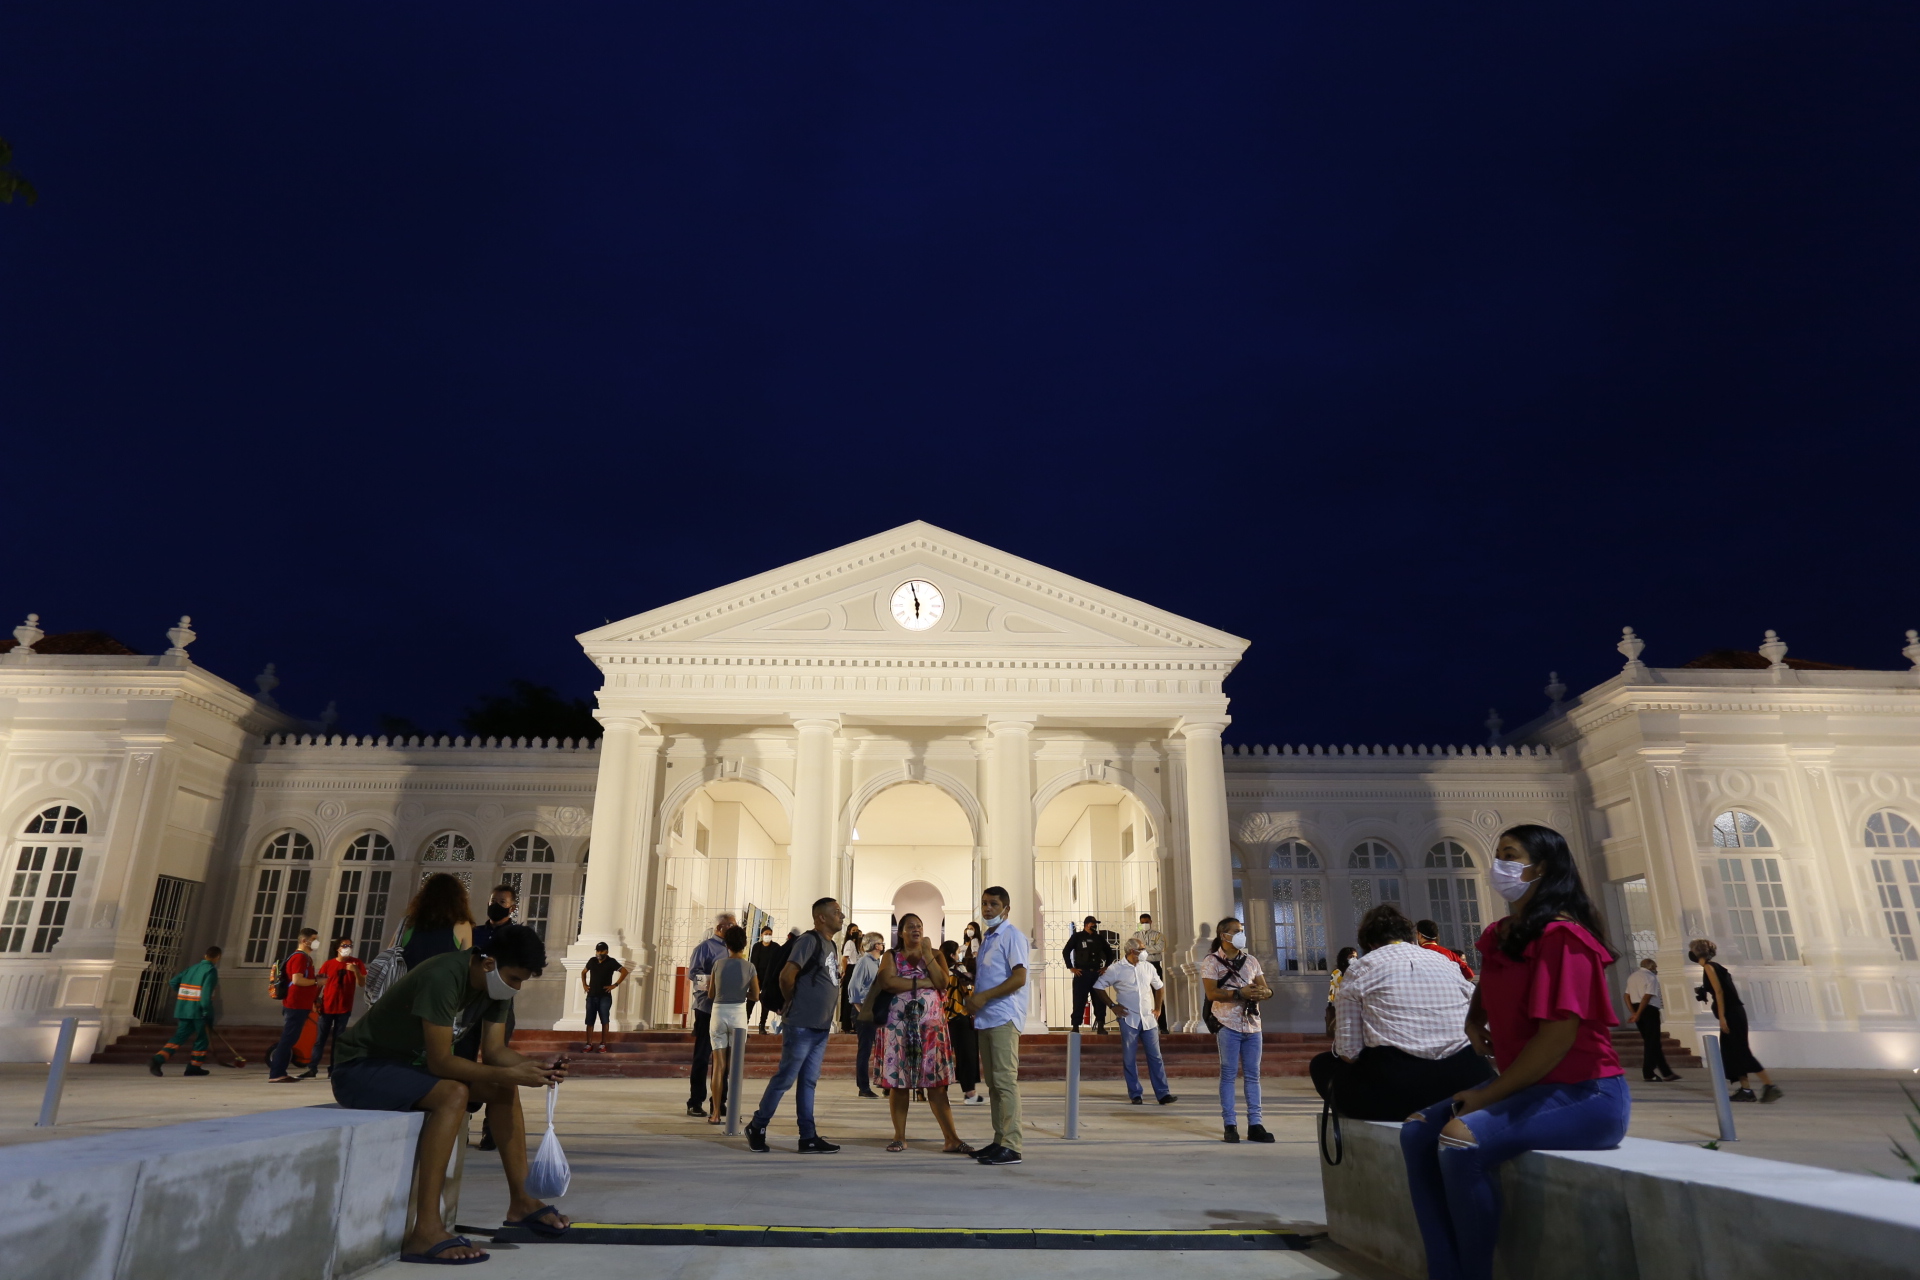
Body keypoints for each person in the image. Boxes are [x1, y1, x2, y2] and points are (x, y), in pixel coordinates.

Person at [1400, 824, 1630, 1280]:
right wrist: (1472, 1020)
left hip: (1585, 1093)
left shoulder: (1565, 938)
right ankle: (1444, 1269)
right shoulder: (1503, 932)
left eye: (1509, 854)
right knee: (1416, 1131)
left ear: (1540, 867)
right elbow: (1487, 987)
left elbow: (1558, 1037)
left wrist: (1488, 1095)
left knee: (1459, 1140)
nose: (1498, 865)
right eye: (1498, 853)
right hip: (1530, 1089)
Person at [330, 924, 570, 1265]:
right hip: (360, 1069)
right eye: (514, 978)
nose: (516, 987)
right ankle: (425, 1229)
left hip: (410, 1068)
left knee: (504, 1086)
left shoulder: (494, 988)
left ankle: (522, 1201)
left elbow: (495, 1051)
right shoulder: (444, 976)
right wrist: (508, 1071)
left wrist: (536, 1067)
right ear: (489, 964)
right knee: (453, 1094)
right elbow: (442, 1062)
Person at [1309, 904, 1491, 1121]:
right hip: (1466, 1080)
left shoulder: (1360, 969)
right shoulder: (1445, 962)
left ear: (1369, 943)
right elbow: (1481, 1020)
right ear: (1411, 937)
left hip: (1400, 1090)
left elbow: (1349, 1052)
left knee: (1321, 1065)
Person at [744, 897, 845, 1154]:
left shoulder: (831, 945)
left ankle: (808, 1137)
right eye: (836, 912)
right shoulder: (809, 941)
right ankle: (757, 1125)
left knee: (809, 1082)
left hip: (819, 1026)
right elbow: (786, 975)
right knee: (786, 1078)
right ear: (821, 917)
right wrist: (793, 1002)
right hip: (801, 1023)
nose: (841, 916)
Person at [871, 913, 972, 1153]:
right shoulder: (891, 955)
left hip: (930, 1029)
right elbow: (887, 982)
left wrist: (927, 954)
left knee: (936, 1083)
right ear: (902, 932)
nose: (916, 929)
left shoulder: (935, 954)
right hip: (898, 1028)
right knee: (899, 1083)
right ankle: (899, 1136)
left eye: (919, 926)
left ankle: (951, 1138)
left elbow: (942, 981)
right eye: (910, 926)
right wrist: (922, 983)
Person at [966, 885, 1029, 1166]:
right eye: (984, 904)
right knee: (992, 1083)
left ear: (1006, 908)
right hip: (987, 1018)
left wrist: (984, 997)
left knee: (1005, 1081)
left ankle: (1012, 1146)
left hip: (1004, 1015)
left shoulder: (1012, 936)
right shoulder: (988, 938)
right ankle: (999, 1140)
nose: (987, 909)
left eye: (993, 904)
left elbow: (1019, 978)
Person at [1201, 915, 1273, 1142]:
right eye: (1236, 930)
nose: (1241, 934)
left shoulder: (1251, 960)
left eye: (1242, 930)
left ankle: (1256, 1124)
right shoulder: (1211, 961)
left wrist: (1266, 993)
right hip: (1227, 1023)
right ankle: (1230, 1124)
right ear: (1224, 935)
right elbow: (1211, 993)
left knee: (1253, 1076)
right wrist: (1238, 993)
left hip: (1252, 1025)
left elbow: (1265, 988)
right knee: (1229, 1074)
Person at [1690, 939, 1782, 1103]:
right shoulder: (1715, 967)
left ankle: (1770, 1085)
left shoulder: (1709, 967)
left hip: (1732, 1014)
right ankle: (1746, 1090)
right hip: (1733, 1012)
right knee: (1734, 1053)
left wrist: (1723, 1018)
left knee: (1741, 1052)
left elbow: (1719, 992)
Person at [1095, 937, 1175, 1105]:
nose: (1145, 952)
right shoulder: (1116, 969)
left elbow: (1159, 987)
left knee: (1156, 1057)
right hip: (1128, 1018)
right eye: (1142, 949)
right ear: (1132, 951)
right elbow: (1098, 986)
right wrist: (1112, 1006)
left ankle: (1163, 1093)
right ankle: (1135, 1093)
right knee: (1129, 1057)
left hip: (1148, 1019)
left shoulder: (1148, 967)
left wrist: (1158, 1009)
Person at [686, 911, 737, 1118]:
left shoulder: (735, 949)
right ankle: (695, 1101)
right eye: (731, 925)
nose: (735, 928)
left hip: (728, 1010)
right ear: (720, 927)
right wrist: (716, 983)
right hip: (707, 1008)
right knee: (702, 1056)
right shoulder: (705, 948)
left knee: (723, 1058)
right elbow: (694, 974)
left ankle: (719, 1101)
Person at [707, 925, 759, 1125]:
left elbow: (711, 994)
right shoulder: (749, 967)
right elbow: (755, 995)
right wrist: (741, 994)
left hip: (718, 1013)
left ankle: (715, 1113)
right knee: (735, 1067)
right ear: (744, 944)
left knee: (718, 1067)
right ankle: (733, 1111)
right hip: (738, 1014)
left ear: (726, 944)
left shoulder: (718, 965)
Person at [150, 946, 221, 1076]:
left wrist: (185, 996)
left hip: (184, 1009)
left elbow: (173, 982)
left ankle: (159, 1058)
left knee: (179, 1037)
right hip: (199, 1011)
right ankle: (194, 1067)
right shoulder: (210, 971)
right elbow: (205, 995)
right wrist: (206, 1011)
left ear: (205, 955)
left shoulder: (192, 968)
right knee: (202, 1038)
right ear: (217, 957)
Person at [267, 927, 322, 1084]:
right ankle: (277, 1073)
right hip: (296, 1005)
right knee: (288, 1039)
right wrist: (318, 981)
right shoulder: (300, 958)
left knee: (290, 1039)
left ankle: (279, 1072)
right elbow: (297, 980)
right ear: (304, 941)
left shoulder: (303, 958)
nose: (316, 943)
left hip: (300, 1005)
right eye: (314, 939)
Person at [305, 937, 366, 1079]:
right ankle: (312, 1068)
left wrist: (355, 970)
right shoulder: (328, 964)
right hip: (327, 1006)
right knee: (320, 1038)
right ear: (338, 948)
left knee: (338, 1040)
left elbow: (362, 983)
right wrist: (314, 1001)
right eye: (345, 945)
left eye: (350, 945)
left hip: (344, 1007)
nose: (348, 948)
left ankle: (334, 1069)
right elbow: (319, 984)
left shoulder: (356, 963)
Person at [398, 873, 475, 969]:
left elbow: (390, 952)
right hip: (443, 982)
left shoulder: (410, 921)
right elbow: (466, 965)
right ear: (458, 899)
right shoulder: (462, 925)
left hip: (408, 981)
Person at [1624, 958, 1680, 1083]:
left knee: (1652, 1041)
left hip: (1637, 1008)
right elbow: (1647, 997)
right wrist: (1638, 1014)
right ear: (1652, 967)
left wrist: (1634, 1012)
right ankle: (1648, 1072)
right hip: (1649, 1010)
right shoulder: (1650, 977)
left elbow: (1626, 995)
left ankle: (1666, 1072)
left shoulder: (1632, 977)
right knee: (1652, 1042)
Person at [941, 939, 983, 1106]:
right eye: (957, 951)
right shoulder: (959, 970)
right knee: (967, 1055)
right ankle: (970, 1093)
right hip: (961, 1016)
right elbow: (968, 992)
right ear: (952, 954)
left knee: (943, 1056)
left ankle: (941, 1091)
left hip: (943, 1018)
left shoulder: (939, 971)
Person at [1063, 914, 1116, 1034]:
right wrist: (1071, 968)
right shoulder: (1077, 937)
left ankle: (1101, 1025)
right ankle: (1076, 1026)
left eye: (1095, 924)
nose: (1095, 926)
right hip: (1081, 974)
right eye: (1093, 924)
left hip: (1096, 973)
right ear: (1086, 925)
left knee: (1099, 1000)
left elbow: (1109, 953)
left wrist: (1105, 967)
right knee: (1079, 1000)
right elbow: (1066, 951)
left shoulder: (1099, 938)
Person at [848, 933, 885, 1098]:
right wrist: (860, 1009)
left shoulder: (877, 963)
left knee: (879, 1048)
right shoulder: (864, 961)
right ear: (876, 946)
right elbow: (853, 986)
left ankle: (885, 1084)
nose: (882, 946)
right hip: (864, 1010)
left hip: (875, 1010)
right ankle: (863, 1087)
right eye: (881, 943)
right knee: (865, 1050)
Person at [580, 941, 630, 1053]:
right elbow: (583, 972)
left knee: (604, 1020)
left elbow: (624, 971)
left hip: (604, 996)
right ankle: (589, 1043)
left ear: (606, 951)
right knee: (589, 1020)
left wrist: (615, 985)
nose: (599, 953)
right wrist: (584, 984)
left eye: (601, 951)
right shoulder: (592, 961)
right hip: (591, 995)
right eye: (598, 950)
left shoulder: (611, 962)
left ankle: (603, 1044)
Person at [1130, 913, 1168, 1032]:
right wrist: (1147, 949)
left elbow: (1160, 948)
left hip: (1154, 965)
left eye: (1147, 922)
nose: (1145, 924)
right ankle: (1139, 1024)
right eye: (1142, 923)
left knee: (1158, 994)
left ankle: (1163, 1026)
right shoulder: (1136, 935)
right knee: (1140, 995)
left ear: (1151, 922)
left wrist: (1143, 949)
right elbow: (1133, 949)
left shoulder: (1158, 935)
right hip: (1140, 966)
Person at [751, 925, 785, 1033]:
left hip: (769, 979)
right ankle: (744, 1023)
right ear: (761, 935)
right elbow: (753, 964)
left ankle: (762, 1025)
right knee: (751, 1001)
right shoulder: (756, 947)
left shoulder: (775, 947)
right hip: (757, 977)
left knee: (765, 1002)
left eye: (770, 934)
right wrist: (754, 980)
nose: (768, 936)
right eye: (766, 934)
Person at [472, 882, 518, 953]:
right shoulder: (475, 932)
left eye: (502, 902)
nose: (496, 905)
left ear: (512, 908)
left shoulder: (516, 935)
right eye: (493, 901)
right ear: (488, 904)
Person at [1326, 946, 1359, 1036]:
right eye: (1351, 957)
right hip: (1343, 1003)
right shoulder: (1337, 972)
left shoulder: (1357, 970)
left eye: (1356, 957)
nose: (1354, 959)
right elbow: (1333, 990)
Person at [840, 921, 865, 1032]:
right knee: (849, 997)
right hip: (851, 969)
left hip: (857, 970)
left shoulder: (857, 945)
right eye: (853, 931)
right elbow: (844, 959)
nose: (855, 933)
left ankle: (854, 1023)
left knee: (855, 997)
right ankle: (846, 1025)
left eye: (857, 930)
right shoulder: (849, 943)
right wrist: (845, 972)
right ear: (849, 932)